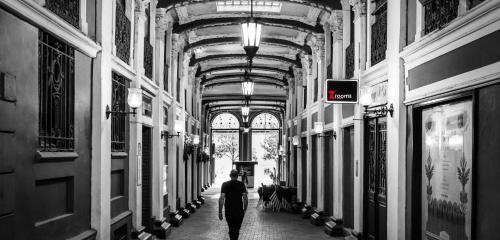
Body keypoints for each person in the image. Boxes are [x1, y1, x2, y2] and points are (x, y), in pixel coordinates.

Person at [219, 169, 248, 240]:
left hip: (228, 210)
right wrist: (244, 209)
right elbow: (245, 198)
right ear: (237, 176)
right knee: (236, 229)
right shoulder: (241, 184)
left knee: (231, 228)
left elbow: (222, 198)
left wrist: (220, 212)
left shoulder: (225, 184)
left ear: (230, 176)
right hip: (239, 210)